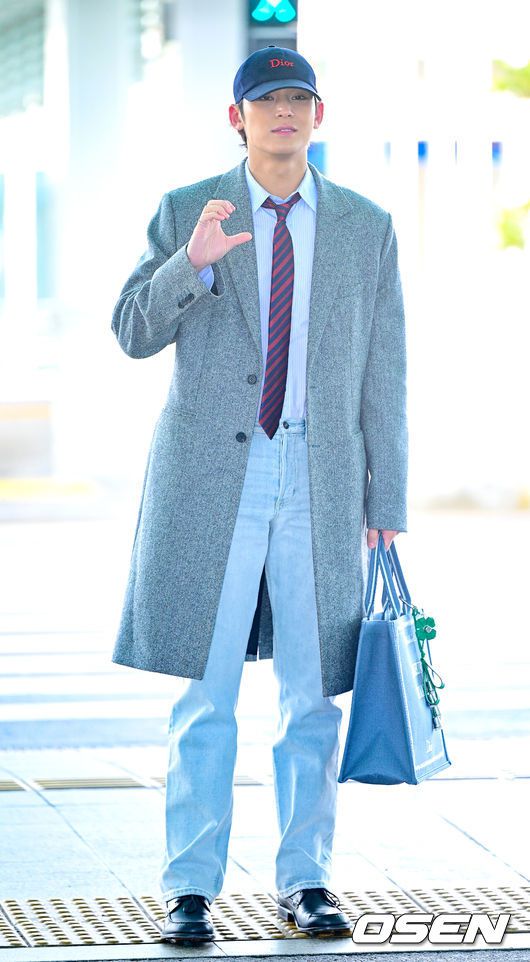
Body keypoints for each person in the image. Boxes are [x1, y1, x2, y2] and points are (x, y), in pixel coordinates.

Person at [110, 45, 408, 944]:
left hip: (322, 475)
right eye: (267, 99)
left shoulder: (364, 225)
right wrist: (190, 267)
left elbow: (385, 367)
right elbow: (131, 331)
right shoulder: (188, 209)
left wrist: (386, 498)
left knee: (313, 696)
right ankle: (190, 889)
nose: (285, 112)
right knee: (205, 695)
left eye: (299, 98)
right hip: (213, 479)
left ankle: (306, 880)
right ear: (235, 118)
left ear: (319, 115)